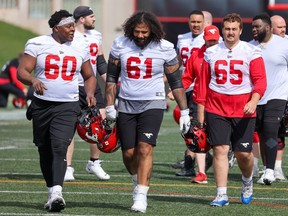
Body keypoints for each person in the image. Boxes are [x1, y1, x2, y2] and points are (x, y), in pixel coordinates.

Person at [105, 11, 190, 213]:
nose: (141, 35)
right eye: (137, 31)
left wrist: (184, 110)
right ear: (130, 30)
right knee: (128, 152)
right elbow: (110, 78)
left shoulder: (165, 48)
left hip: (153, 102)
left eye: (144, 32)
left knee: (144, 148)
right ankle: (137, 180)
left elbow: (176, 82)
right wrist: (109, 106)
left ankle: (141, 195)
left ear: (153, 30)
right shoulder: (120, 45)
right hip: (126, 102)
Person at [17, 10, 97, 212]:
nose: (72, 29)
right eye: (68, 26)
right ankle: (51, 189)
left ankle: (57, 193)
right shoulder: (37, 43)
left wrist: (89, 93)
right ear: (56, 28)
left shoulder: (81, 45)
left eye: (73, 25)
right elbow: (22, 71)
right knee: (44, 148)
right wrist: (33, 79)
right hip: (42, 104)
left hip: (68, 104)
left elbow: (89, 75)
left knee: (59, 146)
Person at [196, 13, 266, 206]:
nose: (230, 32)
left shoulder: (251, 51)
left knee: (242, 154)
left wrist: (254, 100)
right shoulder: (211, 52)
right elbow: (202, 85)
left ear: (240, 30)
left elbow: (260, 81)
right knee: (220, 149)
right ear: (222, 29)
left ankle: (247, 180)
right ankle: (221, 194)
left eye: (234, 29)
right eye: (227, 28)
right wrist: (200, 114)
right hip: (216, 107)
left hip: (243, 108)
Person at [64, 5, 110, 182]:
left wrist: (111, 82)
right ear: (81, 19)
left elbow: (100, 61)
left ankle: (94, 162)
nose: (94, 19)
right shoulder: (68, 34)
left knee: (100, 122)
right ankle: (67, 167)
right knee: (70, 126)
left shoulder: (96, 35)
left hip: (91, 84)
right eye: (91, 16)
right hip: (73, 84)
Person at [250, 13, 288, 185]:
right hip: (257, 98)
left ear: (267, 28)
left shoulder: (284, 44)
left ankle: (271, 171)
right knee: (262, 134)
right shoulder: (249, 47)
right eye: (252, 27)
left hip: (278, 95)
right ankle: (267, 168)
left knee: (271, 130)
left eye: (257, 26)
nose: (254, 30)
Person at [181, 25, 220, 184]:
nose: (211, 43)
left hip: (221, 100)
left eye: (214, 41)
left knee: (221, 138)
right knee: (198, 134)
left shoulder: (225, 53)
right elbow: (187, 77)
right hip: (200, 100)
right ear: (204, 39)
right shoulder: (196, 55)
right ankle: (202, 173)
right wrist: (177, 90)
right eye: (209, 40)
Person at [172, 10, 207, 177]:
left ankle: (189, 164)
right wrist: (170, 82)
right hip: (185, 85)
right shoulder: (182, 38)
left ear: (204, 22)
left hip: (199, 87)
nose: (196, 25)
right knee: (186, 125)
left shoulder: (210, 39)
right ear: (188, 22)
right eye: (193, 21)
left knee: (193, 125)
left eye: (199, 22)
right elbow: (178, 61)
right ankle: (202, 157)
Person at [269, 14, 287, 181]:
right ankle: (258, 167)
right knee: (268, 133)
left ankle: (277, 168)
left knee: (281, 131)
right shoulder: (261, 44)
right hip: (268, 95)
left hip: (284, 94)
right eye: (279, 27)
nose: (283, 29)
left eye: (284, 26)